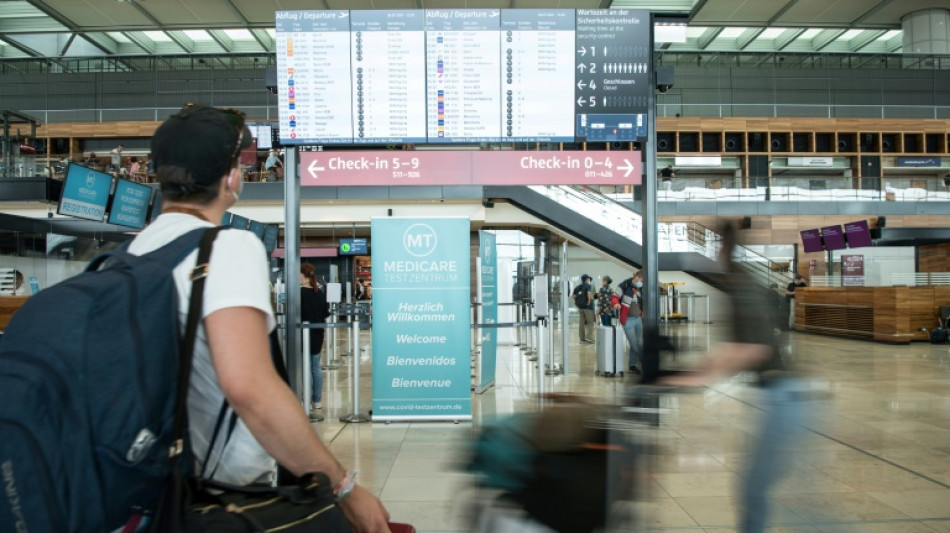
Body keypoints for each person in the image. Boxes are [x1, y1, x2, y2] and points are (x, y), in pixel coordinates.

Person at [126, 104, 390, 532]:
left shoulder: (130, 254)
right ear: (232, 179)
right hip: (224, 493)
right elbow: (250, 389)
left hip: (153, 488)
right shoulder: (226, 247)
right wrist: (342, 487)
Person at [660, 223, 803, 533]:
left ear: (722, 248)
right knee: (761, 489)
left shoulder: (740, 282)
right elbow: (733, 348)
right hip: (779, 394)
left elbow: (752, 349)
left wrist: (695, 378)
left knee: (757, 490)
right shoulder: (740, 281)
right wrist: (692, 371)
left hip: (784, 395)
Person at [300, 263, 329, 417]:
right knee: (315, 367)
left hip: (304, 334)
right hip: (318, 334)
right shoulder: (320, 292)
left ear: (302, 275)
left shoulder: (299, 293)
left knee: (304, 367)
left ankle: (305, 399)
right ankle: (317, 400)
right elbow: (326, 313)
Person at [612, 271, 644, 374]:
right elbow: (614, 297)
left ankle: (632, 365)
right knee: (634, 343)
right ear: (636, 277)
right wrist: (616, 304)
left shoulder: (641, 288)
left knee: (638, 342)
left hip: (639, 318)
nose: (641, 282)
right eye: (641, 280)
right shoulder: (624, 285)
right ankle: (645, 360)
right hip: (628, 320)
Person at [574, 274, 595, 344]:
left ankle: (582, 339)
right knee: (590, 323)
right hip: (588, 307)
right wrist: (588, 301)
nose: (589, 281)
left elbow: (573, 296)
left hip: (580, 308)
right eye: (589, 279)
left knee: (581, 323)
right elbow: (589, 293)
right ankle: (589, 338)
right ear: (586, 280)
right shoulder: (588, 286)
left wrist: (577, 303)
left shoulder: (578, 287)